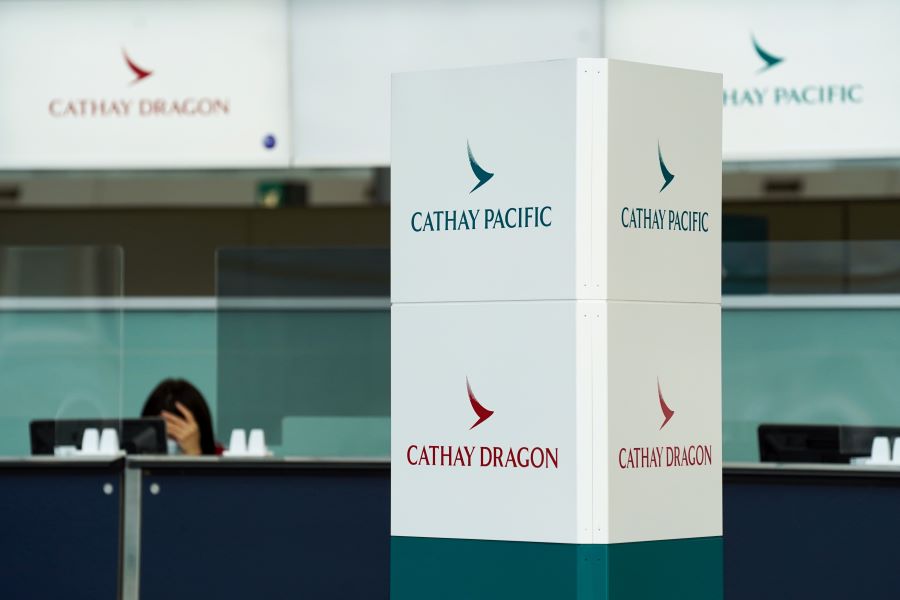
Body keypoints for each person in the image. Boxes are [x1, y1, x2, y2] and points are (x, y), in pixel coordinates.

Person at [141, 378, 217, 455]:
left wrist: (194, 454)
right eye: (167, 436)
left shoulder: (224, 460)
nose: (170, 444)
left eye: (176, 437)